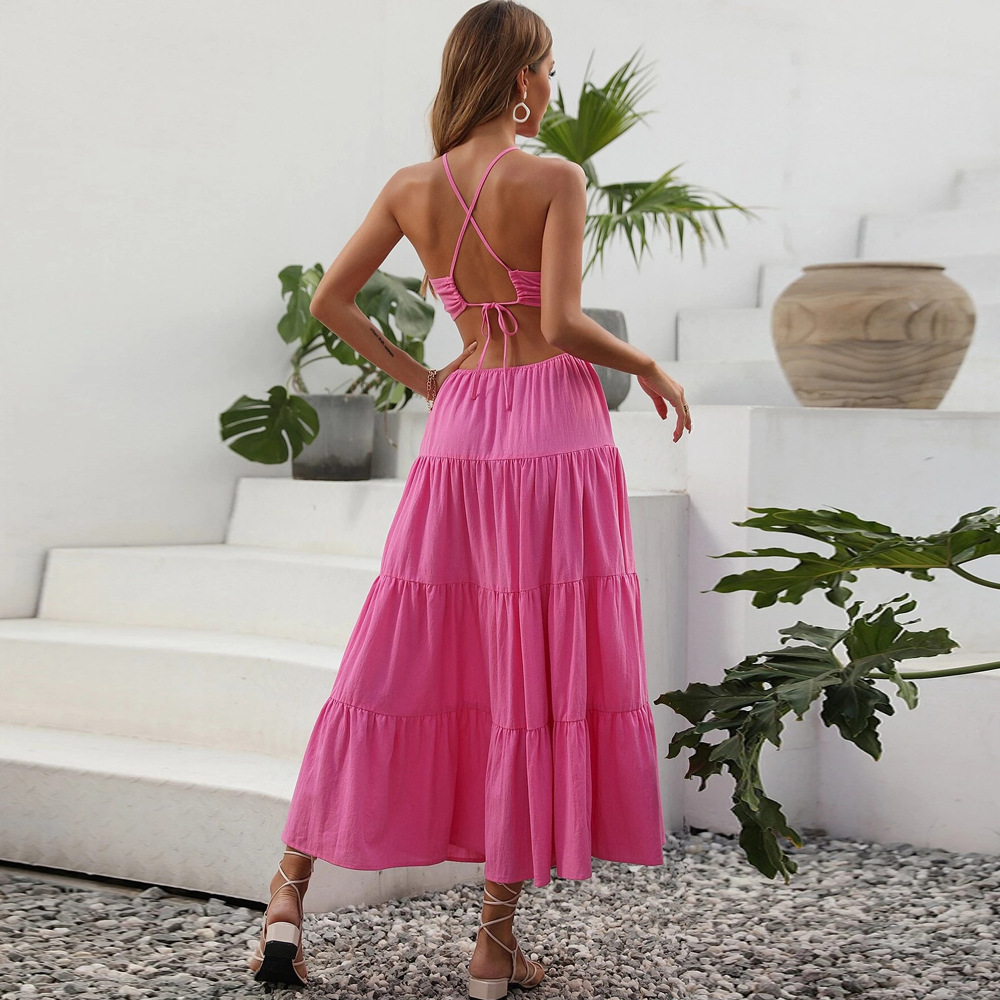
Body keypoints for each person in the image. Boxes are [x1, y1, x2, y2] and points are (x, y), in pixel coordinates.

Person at [247, 1, 691, 995]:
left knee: (395, 653)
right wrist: (648, 365)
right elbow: (563, 324)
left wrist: (426, 381)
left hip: (462, 425)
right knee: (529, 669)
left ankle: (286, 896)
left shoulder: (413, 187)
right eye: (547, 68)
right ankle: (492, 944)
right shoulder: (554, 178)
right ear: (521, 76)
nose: (552, 86)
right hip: (553, 428)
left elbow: (330, 302)